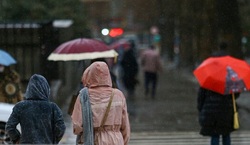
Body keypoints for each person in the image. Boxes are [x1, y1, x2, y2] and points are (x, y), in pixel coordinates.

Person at [71, 61, 130, 145]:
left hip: (93, 140)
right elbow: (125, 126)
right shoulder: (118, 95)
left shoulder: (83, 96)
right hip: (116, 140)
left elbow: (76, 126)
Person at [5, 74, 66, 144]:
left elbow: (9, 127)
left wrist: (17, 139)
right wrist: (54, 140)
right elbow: (61, 127)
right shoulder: (53, 107)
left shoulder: (20, 107)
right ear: (46, 88)